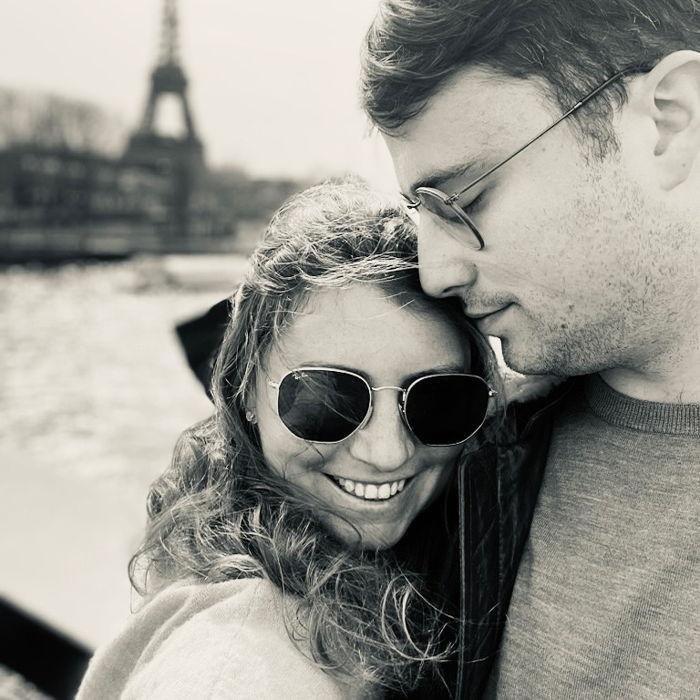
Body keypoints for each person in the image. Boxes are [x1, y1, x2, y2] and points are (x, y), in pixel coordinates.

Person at [361, 1, 700, 697]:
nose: (434, 272)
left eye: (465, 200)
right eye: (421, 214)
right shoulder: (452, 445)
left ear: (670, 122)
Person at [77, 180, 513, 699]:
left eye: (438, 401)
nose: (387, 451)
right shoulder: (234, 662)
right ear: (243, 391)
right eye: (328, 398)